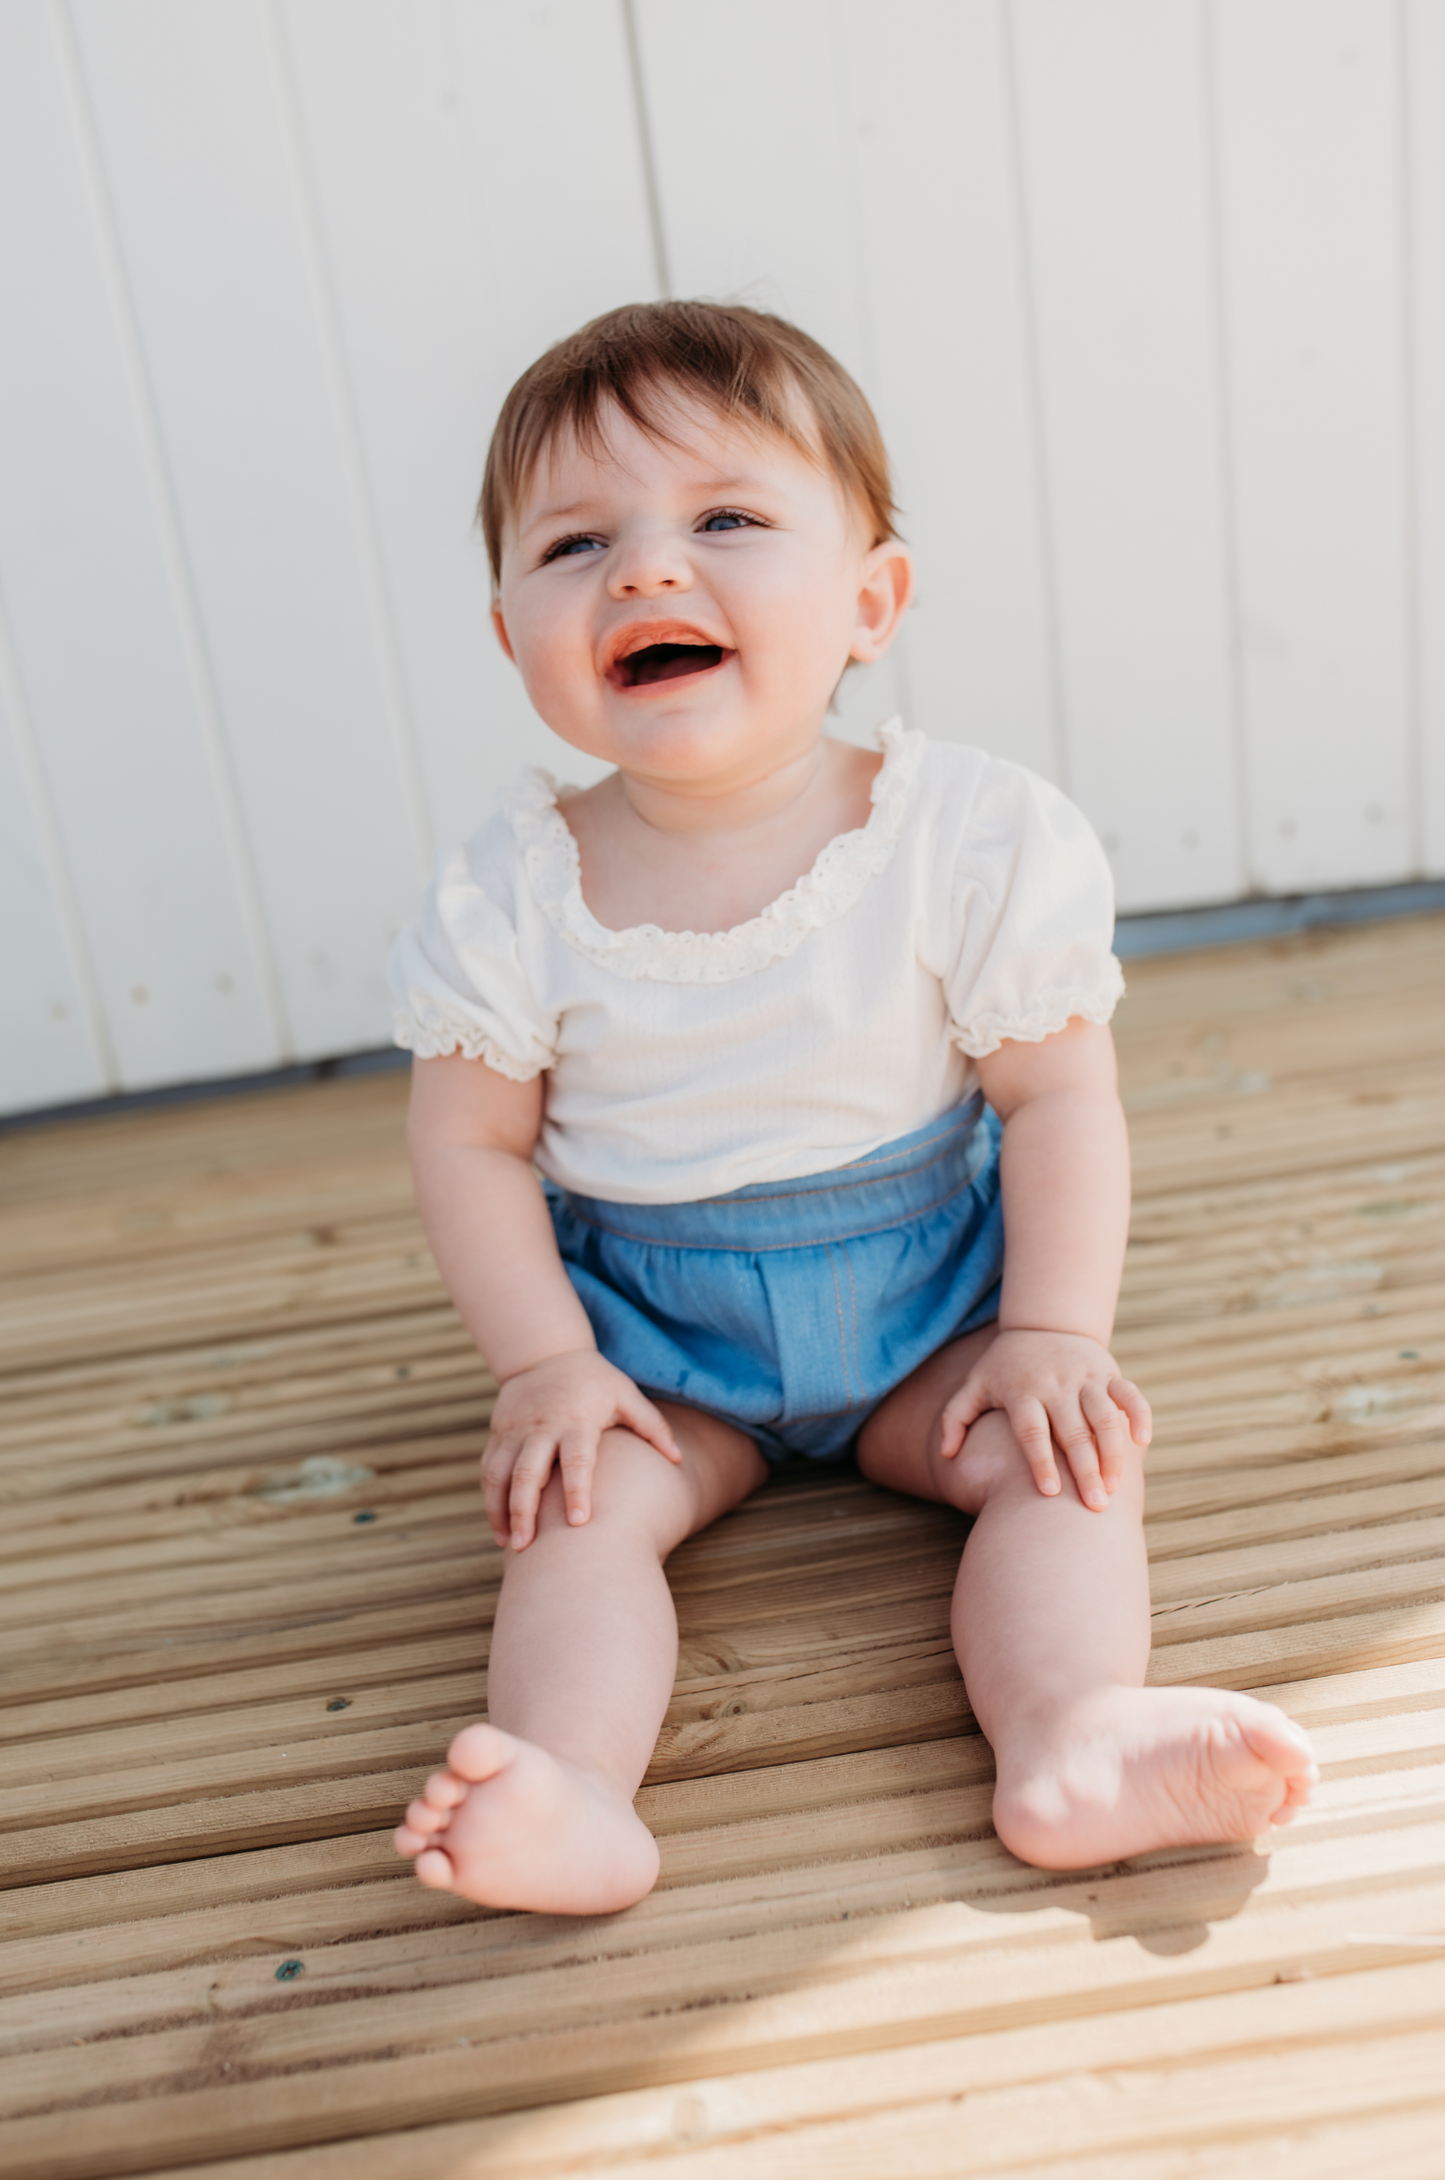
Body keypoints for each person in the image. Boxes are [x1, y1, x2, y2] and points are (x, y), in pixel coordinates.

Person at [388, 300, 1316, 1914]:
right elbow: (468, 1141)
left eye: (727, 520)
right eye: (576, 543)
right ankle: (573, 1787)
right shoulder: (513, 888)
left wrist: (1053, 1331)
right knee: (579, 1515)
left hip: (935, 1313)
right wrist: (548, 1365)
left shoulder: (964, 833)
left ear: (872, 599)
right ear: (508, 637)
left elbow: (1055, 1097)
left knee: (1062, 1463)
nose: (646, 573)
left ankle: (1072, 1732)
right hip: (654, 1346)